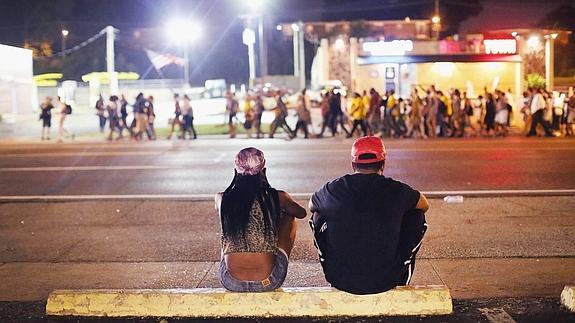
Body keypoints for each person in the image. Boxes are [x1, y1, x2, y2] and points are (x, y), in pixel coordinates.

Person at [309, 136, 429, 295]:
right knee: (416, 215)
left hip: (340, 279)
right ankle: (403, 271)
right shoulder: (397, 190)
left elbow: (311, 206)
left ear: (353, 164)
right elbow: (424, 205)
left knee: (319, 215)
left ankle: (330, 261)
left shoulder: (333, 188)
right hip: (387, 280)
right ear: (383, 164)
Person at [215, 147, 306, 292]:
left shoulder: (222, 198)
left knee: (231, 224)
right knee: (289, 217)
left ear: (236, 171)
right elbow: (301, 213)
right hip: (269, 281)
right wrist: (280, 205)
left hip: (230, 281)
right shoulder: (276, 197)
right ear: (263, 171)